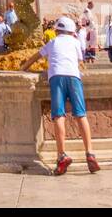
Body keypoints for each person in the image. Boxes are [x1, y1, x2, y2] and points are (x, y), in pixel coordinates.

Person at [22, 17, 99, 175]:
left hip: (57, 77)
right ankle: (90, 153)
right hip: (74, 77)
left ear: (57, 31)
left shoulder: (53, 42)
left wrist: (23, 68)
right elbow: (79, 61)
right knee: (81, 114)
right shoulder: (76, 42)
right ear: (72, 32)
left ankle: (62, 155)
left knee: (59, 115)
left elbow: (36, 56)